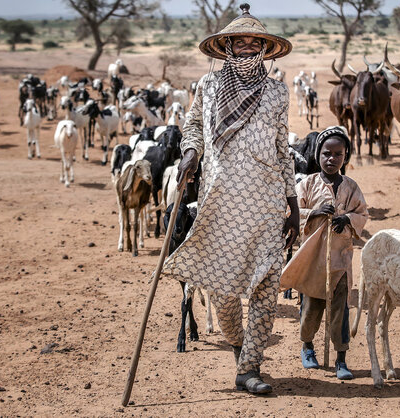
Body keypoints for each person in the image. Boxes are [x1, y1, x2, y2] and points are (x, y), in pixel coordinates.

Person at [162, 4, 297, 395]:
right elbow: (192, 128)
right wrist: (190, 152)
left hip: (267, 204)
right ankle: (240, 345)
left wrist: (291, 205)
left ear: (264, 48)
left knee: (266, 287)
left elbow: (282, 149)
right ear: (227, 46)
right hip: (219, 204)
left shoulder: (275, 91)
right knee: (221, 292)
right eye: (240, 41)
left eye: (255, 42)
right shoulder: (208, 87)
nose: (247, 47)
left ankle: (249, 368)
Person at [282, 126, 368, 380]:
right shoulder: (307, 185)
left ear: (345, 156)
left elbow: (362, 214)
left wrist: (348, 220)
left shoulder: (351, 187)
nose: (332, 159)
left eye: (338, 154)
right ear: (318, 155)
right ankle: (307, 346)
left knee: (340, 309)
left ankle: (341, 358)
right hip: (313, 260)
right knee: (310, 307)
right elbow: (293, 215)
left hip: (340, 259)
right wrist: (316, 212)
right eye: (326, 153)